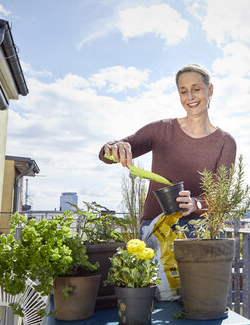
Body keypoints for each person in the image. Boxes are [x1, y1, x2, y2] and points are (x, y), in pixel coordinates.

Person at [99, 64, 237, 230]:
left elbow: (219, 196)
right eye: (183, 91)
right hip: (155, 227)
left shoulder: (225, 142)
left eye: (197, 89)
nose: (190, 97)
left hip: (199, 230)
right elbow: (105, 156)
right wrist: (116, 147)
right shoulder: (160, 130)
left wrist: (194, 203)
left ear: (211, 90)